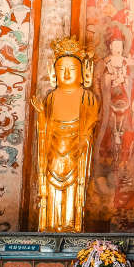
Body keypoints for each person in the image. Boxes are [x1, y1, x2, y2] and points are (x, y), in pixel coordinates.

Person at [34, 37, 100, 232]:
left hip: (76, 149)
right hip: (53, 149)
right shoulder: (51, 97)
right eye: (62, 69)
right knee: (52, 185)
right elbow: (45, 128)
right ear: (54, 72)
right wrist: (42, 116)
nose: (67, 73)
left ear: (82, 74)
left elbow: (90, 123)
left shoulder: (87, 97)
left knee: (72, 187)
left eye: (72, 69)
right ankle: (51, 224)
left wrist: (81, 141)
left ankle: (71, 224)